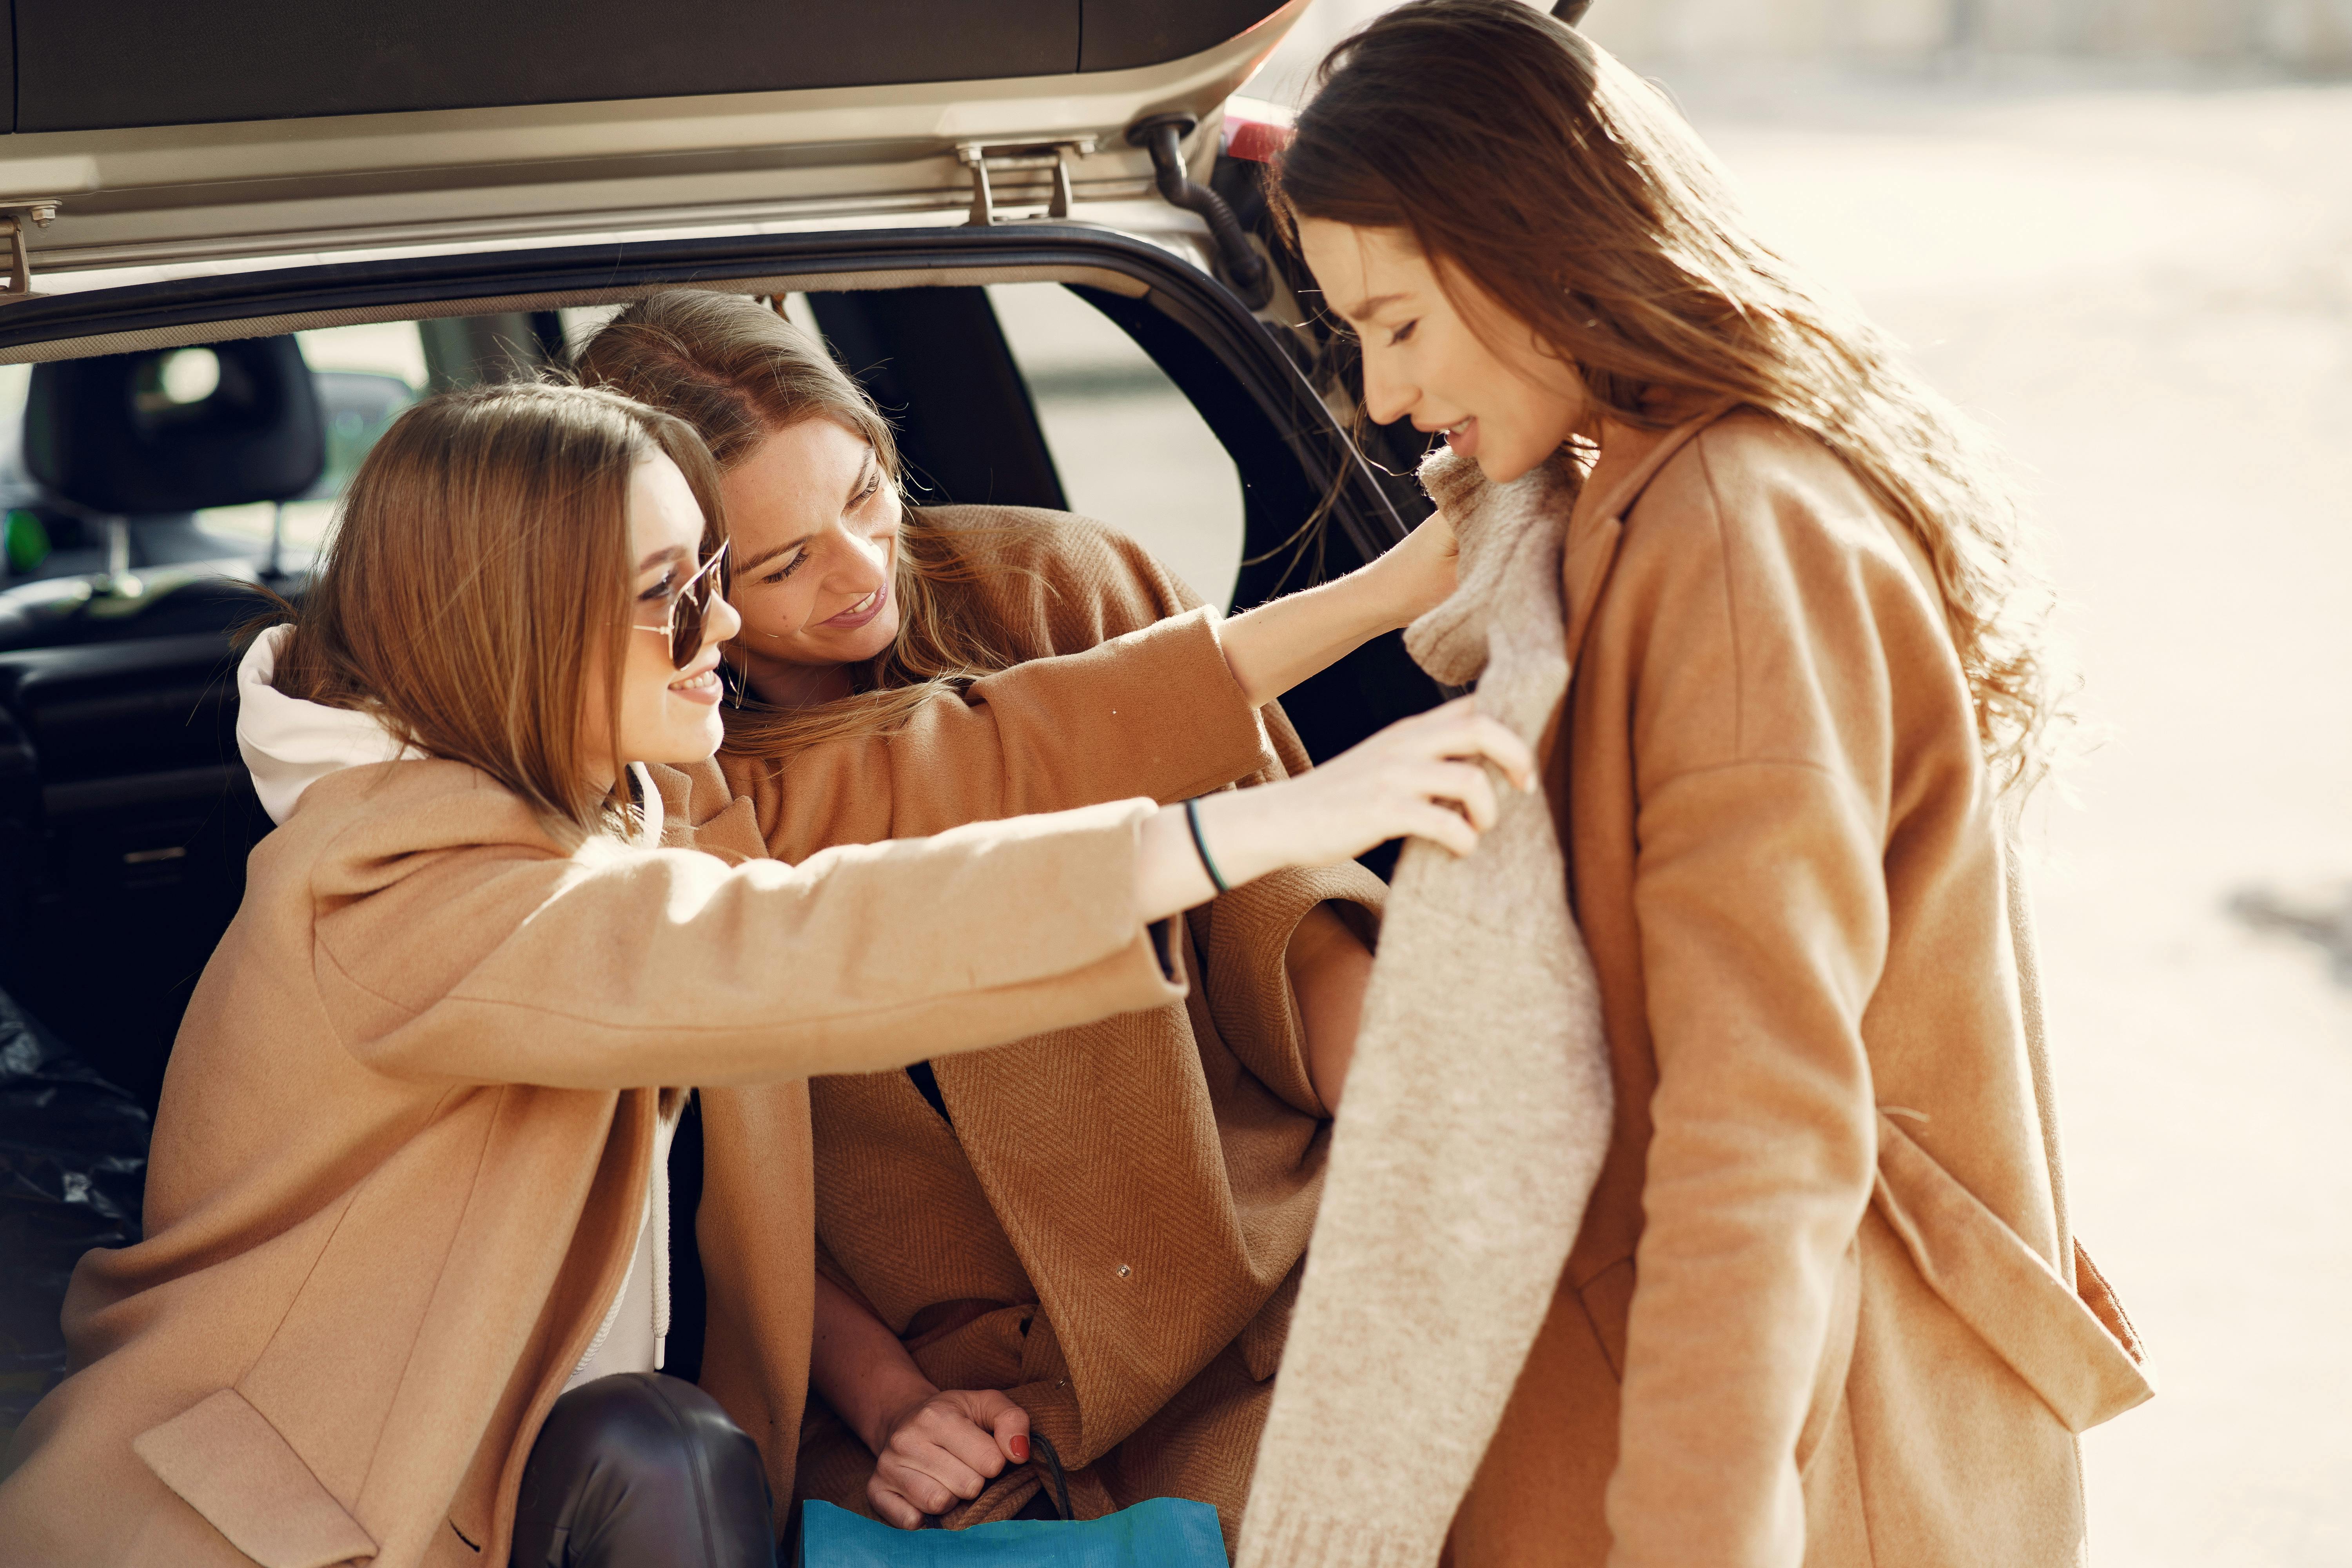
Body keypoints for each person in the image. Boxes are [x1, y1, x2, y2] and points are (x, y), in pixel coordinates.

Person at [0, 380, 1533, 1568]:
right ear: (527, 625)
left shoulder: (588, 787)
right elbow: (797, 942)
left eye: (723, 574)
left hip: (526, 1465)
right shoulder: (402, 884)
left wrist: (1398, 591)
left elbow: (953, 773)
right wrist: (1263, 823)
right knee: (669, 1450)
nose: (724, 627)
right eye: (678, 590)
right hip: (293, 1520)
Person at [1254, 4, 2152, 1565]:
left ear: (1522, 237)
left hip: (1811, 1455)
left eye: (1397, 324)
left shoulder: (1729, 536)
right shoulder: (1653, 498)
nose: (1388, 401)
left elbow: (1761, 1128)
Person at [578, 292, 1435, 1544]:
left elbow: (1277, 911)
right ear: (678, 581)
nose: (863, 570)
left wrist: (1432, 1121)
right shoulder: (658, 763)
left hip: (1249, 1273)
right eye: (781, 564)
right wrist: (890, 1405)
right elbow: (710, 1163)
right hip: (932, 1381)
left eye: (866, 495)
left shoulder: (1058, 587)